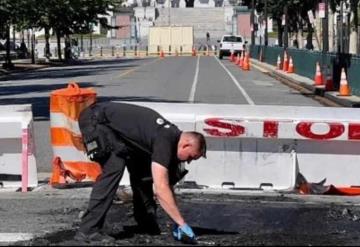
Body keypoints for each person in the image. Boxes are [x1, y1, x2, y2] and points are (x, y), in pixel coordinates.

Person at [74, 102, 207, 243]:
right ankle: (88, 230)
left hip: (114, 129)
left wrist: (176, 218)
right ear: (186, 144)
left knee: (142, 171)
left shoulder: (170, 138)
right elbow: (161, 188)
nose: (189, 161)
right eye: (191, 156)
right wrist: (181, 223)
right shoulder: (165, 140)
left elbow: (166, 185)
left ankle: (145, 221)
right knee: (114, 168)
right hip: (95, 120)